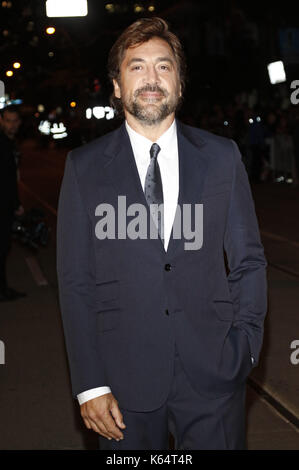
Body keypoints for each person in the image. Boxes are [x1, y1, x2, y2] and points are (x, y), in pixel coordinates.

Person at [57, 17, 268, 450]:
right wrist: (90, 385)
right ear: (116, 85)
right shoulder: (84, 168)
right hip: (121, 384)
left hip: (214, 375)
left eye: (164, 66)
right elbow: (77, 283)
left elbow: (248, 261)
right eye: (136, 66)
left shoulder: (221, 157)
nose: (151, 78)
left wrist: (245, 347)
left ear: (179, 83)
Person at [0, 105, 26, 301]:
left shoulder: (10, 143)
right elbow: (6, 180)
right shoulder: (3, 144)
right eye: (8, 121)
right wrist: (16, 204)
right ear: (1, 120)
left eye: (15, 121)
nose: (12, 125)